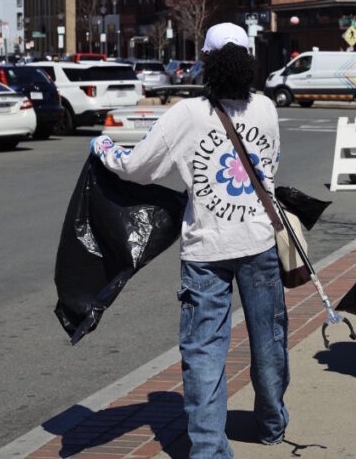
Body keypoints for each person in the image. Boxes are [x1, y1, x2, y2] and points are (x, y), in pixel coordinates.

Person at [89, 23, 288, 458]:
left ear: (207, 61)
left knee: (204, 351)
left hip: (206, 247)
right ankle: (272, 422)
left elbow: (138, 166)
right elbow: (271, 164)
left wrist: (104, 149)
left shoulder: (188, 114)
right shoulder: (267, 108)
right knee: (268, 338)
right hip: (259, 240)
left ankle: (209, 449)